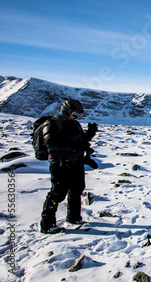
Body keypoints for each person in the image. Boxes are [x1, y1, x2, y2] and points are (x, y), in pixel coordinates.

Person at [39, 99, 98, 234]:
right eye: (75, 114)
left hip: (76, 162)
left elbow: (80, 140)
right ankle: (47, 224)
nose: (77, 117)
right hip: (61, 164)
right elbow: (51, 143)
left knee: (77, 190)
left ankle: (74, 218)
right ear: (66, 112)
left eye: (79, 115)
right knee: (57, 194)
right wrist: (73, 149)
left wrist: (90, 133)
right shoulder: (52, 124)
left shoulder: (75, 125)